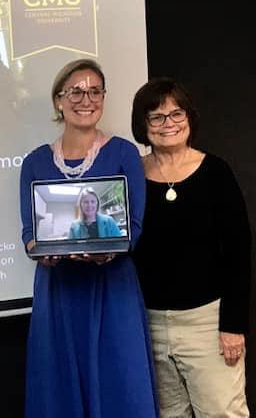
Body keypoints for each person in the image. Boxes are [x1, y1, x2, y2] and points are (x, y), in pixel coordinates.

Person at [19, 58, 158, 417]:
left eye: (95, 91)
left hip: (113, 291)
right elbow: (30, 234)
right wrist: (39, 250)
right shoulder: (35, 162)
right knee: (60, 392)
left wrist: (108, 252)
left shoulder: (124, 153)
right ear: (58, 101)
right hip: (59, 294)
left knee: (120, 387)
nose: (86, 99)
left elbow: (135, 227)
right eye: (76, 91)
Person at [131, 77, 251, 417]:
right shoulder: (132, 177)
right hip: (149, 325)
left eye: (176, 114)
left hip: (207, 325)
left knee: (222, 412)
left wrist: (233, 326)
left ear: (189, 118)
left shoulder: (216, 173)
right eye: (156, 116)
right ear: (143, 125)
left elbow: (239, 253)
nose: (167, 124)